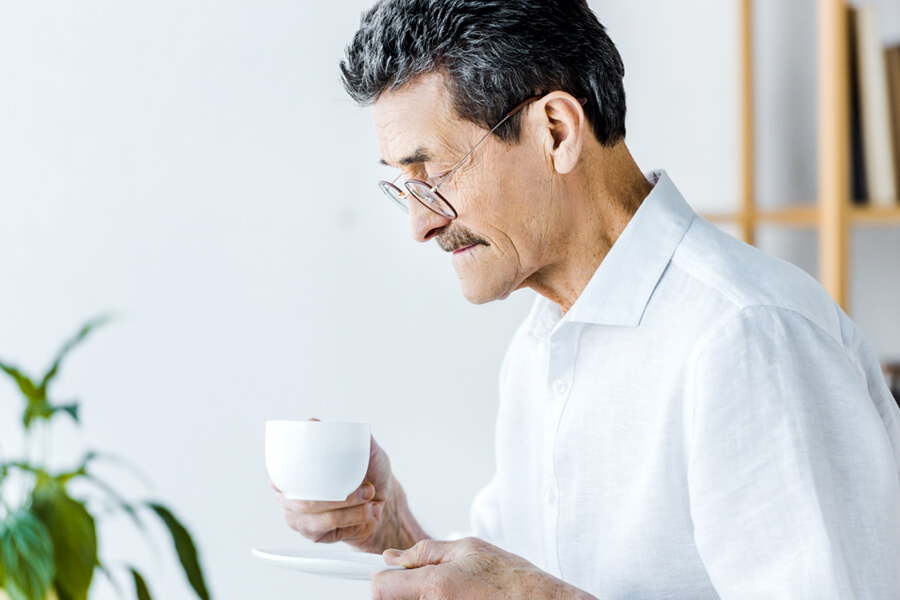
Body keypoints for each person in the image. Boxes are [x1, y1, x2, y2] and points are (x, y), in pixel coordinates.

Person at [273, 1, 900, 598]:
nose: (420, 225)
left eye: (433, 173)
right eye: (402, 185)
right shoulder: (539, 346)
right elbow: (510, 582)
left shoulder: (746, 336)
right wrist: (394, 528)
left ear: (556, 131)